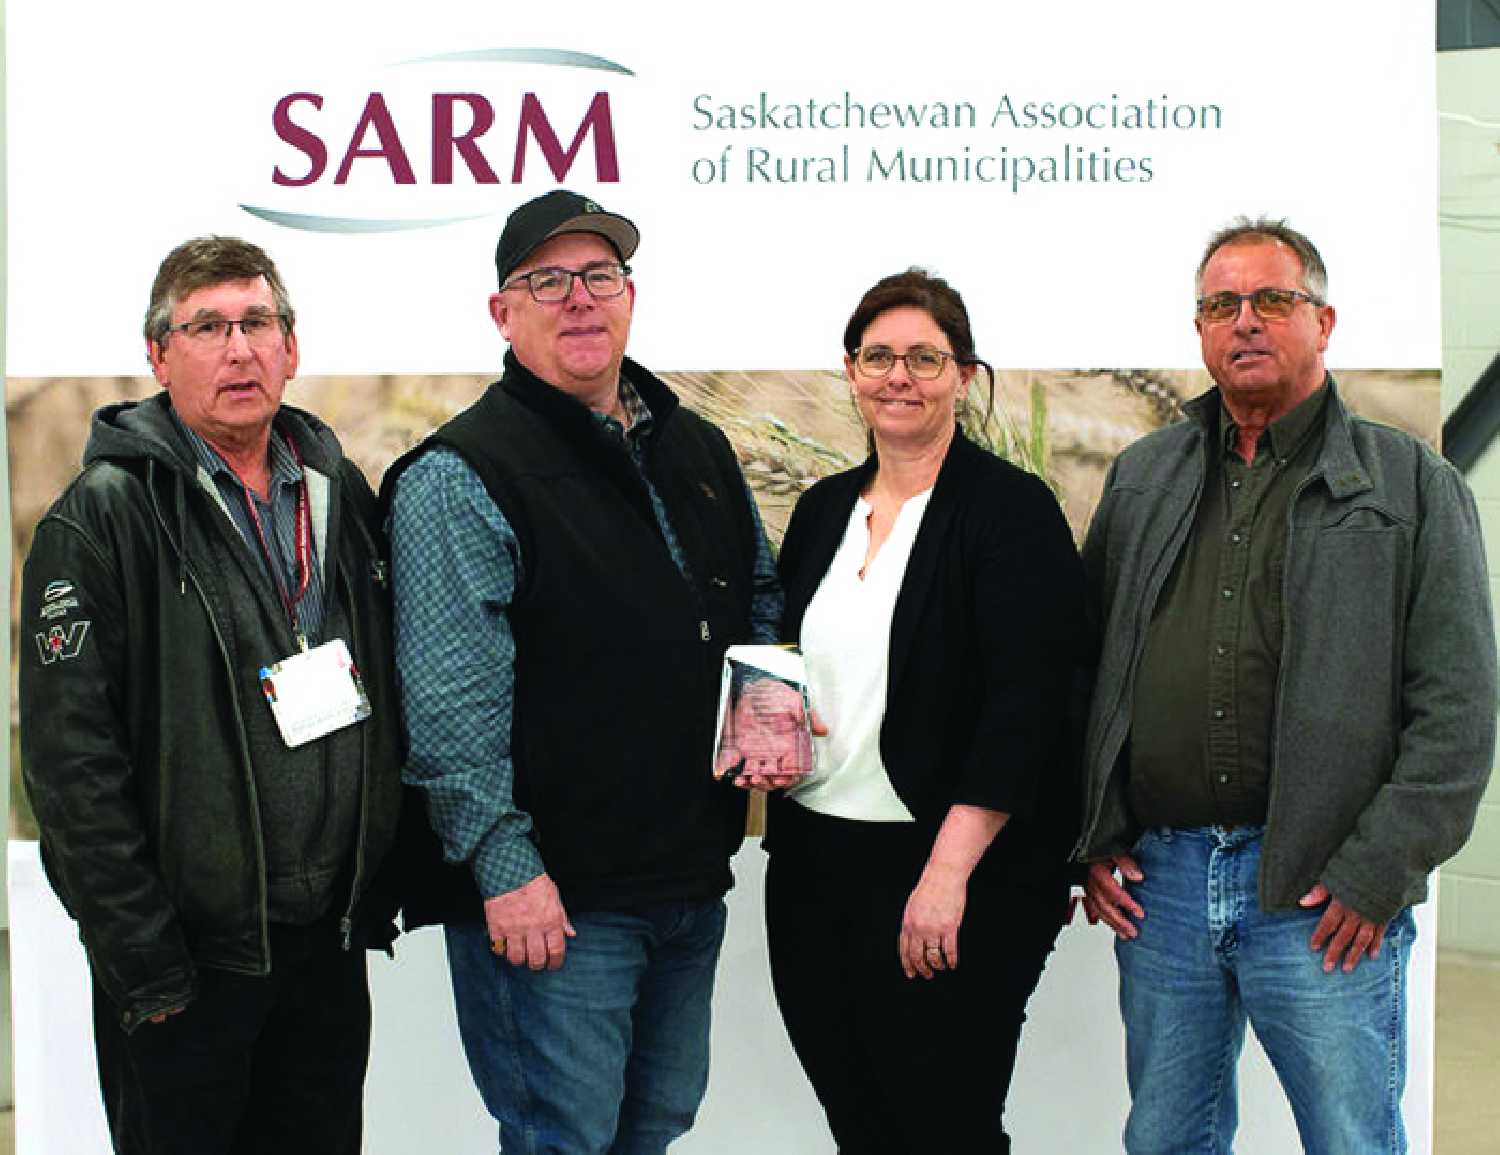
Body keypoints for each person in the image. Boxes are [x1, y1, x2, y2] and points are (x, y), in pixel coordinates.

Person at [1078, 217, 1497, 1153]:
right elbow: (1090, 671)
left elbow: (1459, 711)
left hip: (1323, 895)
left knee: (1351, 1139)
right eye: (1221, 304)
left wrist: (1376, 870)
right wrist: (1095, 832)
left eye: (1273, 299)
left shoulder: (1410, 485)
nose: (1246, 321)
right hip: (1167, 883)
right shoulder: (1144, 476)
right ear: (1199, 329)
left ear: (1325, 321)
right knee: (1164, 1139)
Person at [386, 189, 784, 1154]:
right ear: (503, 313)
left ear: (630, 295)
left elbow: (758, 596)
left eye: (599, 276)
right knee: (564, 1136)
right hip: (553, 902)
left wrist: (765, 697)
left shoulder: (693, 447)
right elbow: (447, 706)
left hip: (684, 880)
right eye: (548, 281)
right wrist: (505, 869)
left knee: (653, 1125)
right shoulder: (461, 473)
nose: (579, 299)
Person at [19, 236, 404, 1155]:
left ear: (291, 346)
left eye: (257, 322)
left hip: (321, 950)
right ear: (158, 354)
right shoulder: (104, 514)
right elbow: (72, 768)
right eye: (206, 327)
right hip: (188, 965)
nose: (239, 349)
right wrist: (144, 964)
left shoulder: (333, 487)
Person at [767, 269, 1087, 1153]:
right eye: (878, 357)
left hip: (953, 870)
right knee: (858, 1117)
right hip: (814, 861)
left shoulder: (1011, 511)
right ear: (851, 371)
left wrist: (946, 877)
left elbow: (1027, 706)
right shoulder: (825, 507)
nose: (898, 376)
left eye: (923, 357)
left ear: (965, 376)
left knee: (944, 1123)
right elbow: (787, 663)